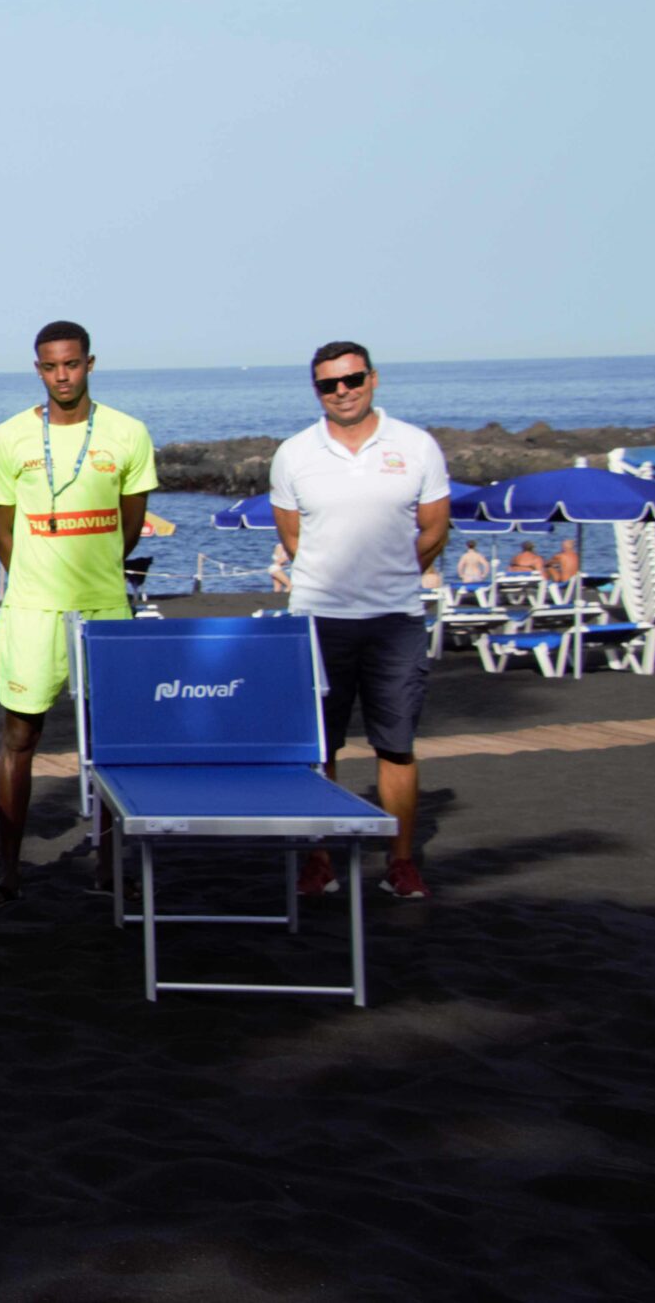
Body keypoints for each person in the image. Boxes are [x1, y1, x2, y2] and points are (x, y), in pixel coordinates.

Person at [0, 321, 156, 910]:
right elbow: (1, 524)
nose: (62, 376)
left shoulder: (128, 432)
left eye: (71, 364)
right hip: (32, 610)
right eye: (50, 367)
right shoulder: (9, 437)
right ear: (38, 370)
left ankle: (107, 866)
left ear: (89, 364)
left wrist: (95, 571)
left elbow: (131, 522)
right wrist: (34, 577)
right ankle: (8, 873)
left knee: (109, 743)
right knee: (20, 737)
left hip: (104, 607)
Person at [271, 341, 451, 902]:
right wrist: (334, 581)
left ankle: (401, 864)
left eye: (351, 380)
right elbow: (293, 538)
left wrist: (394, 576)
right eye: (329, 384)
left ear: (373, 378)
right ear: (316, 390)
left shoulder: (417, 446)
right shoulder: (294, 454)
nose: (342, 391)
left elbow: (434, 529)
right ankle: (318, 860)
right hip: (318, 619)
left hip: (395, 619)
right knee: (317, 748)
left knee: (395, 746)